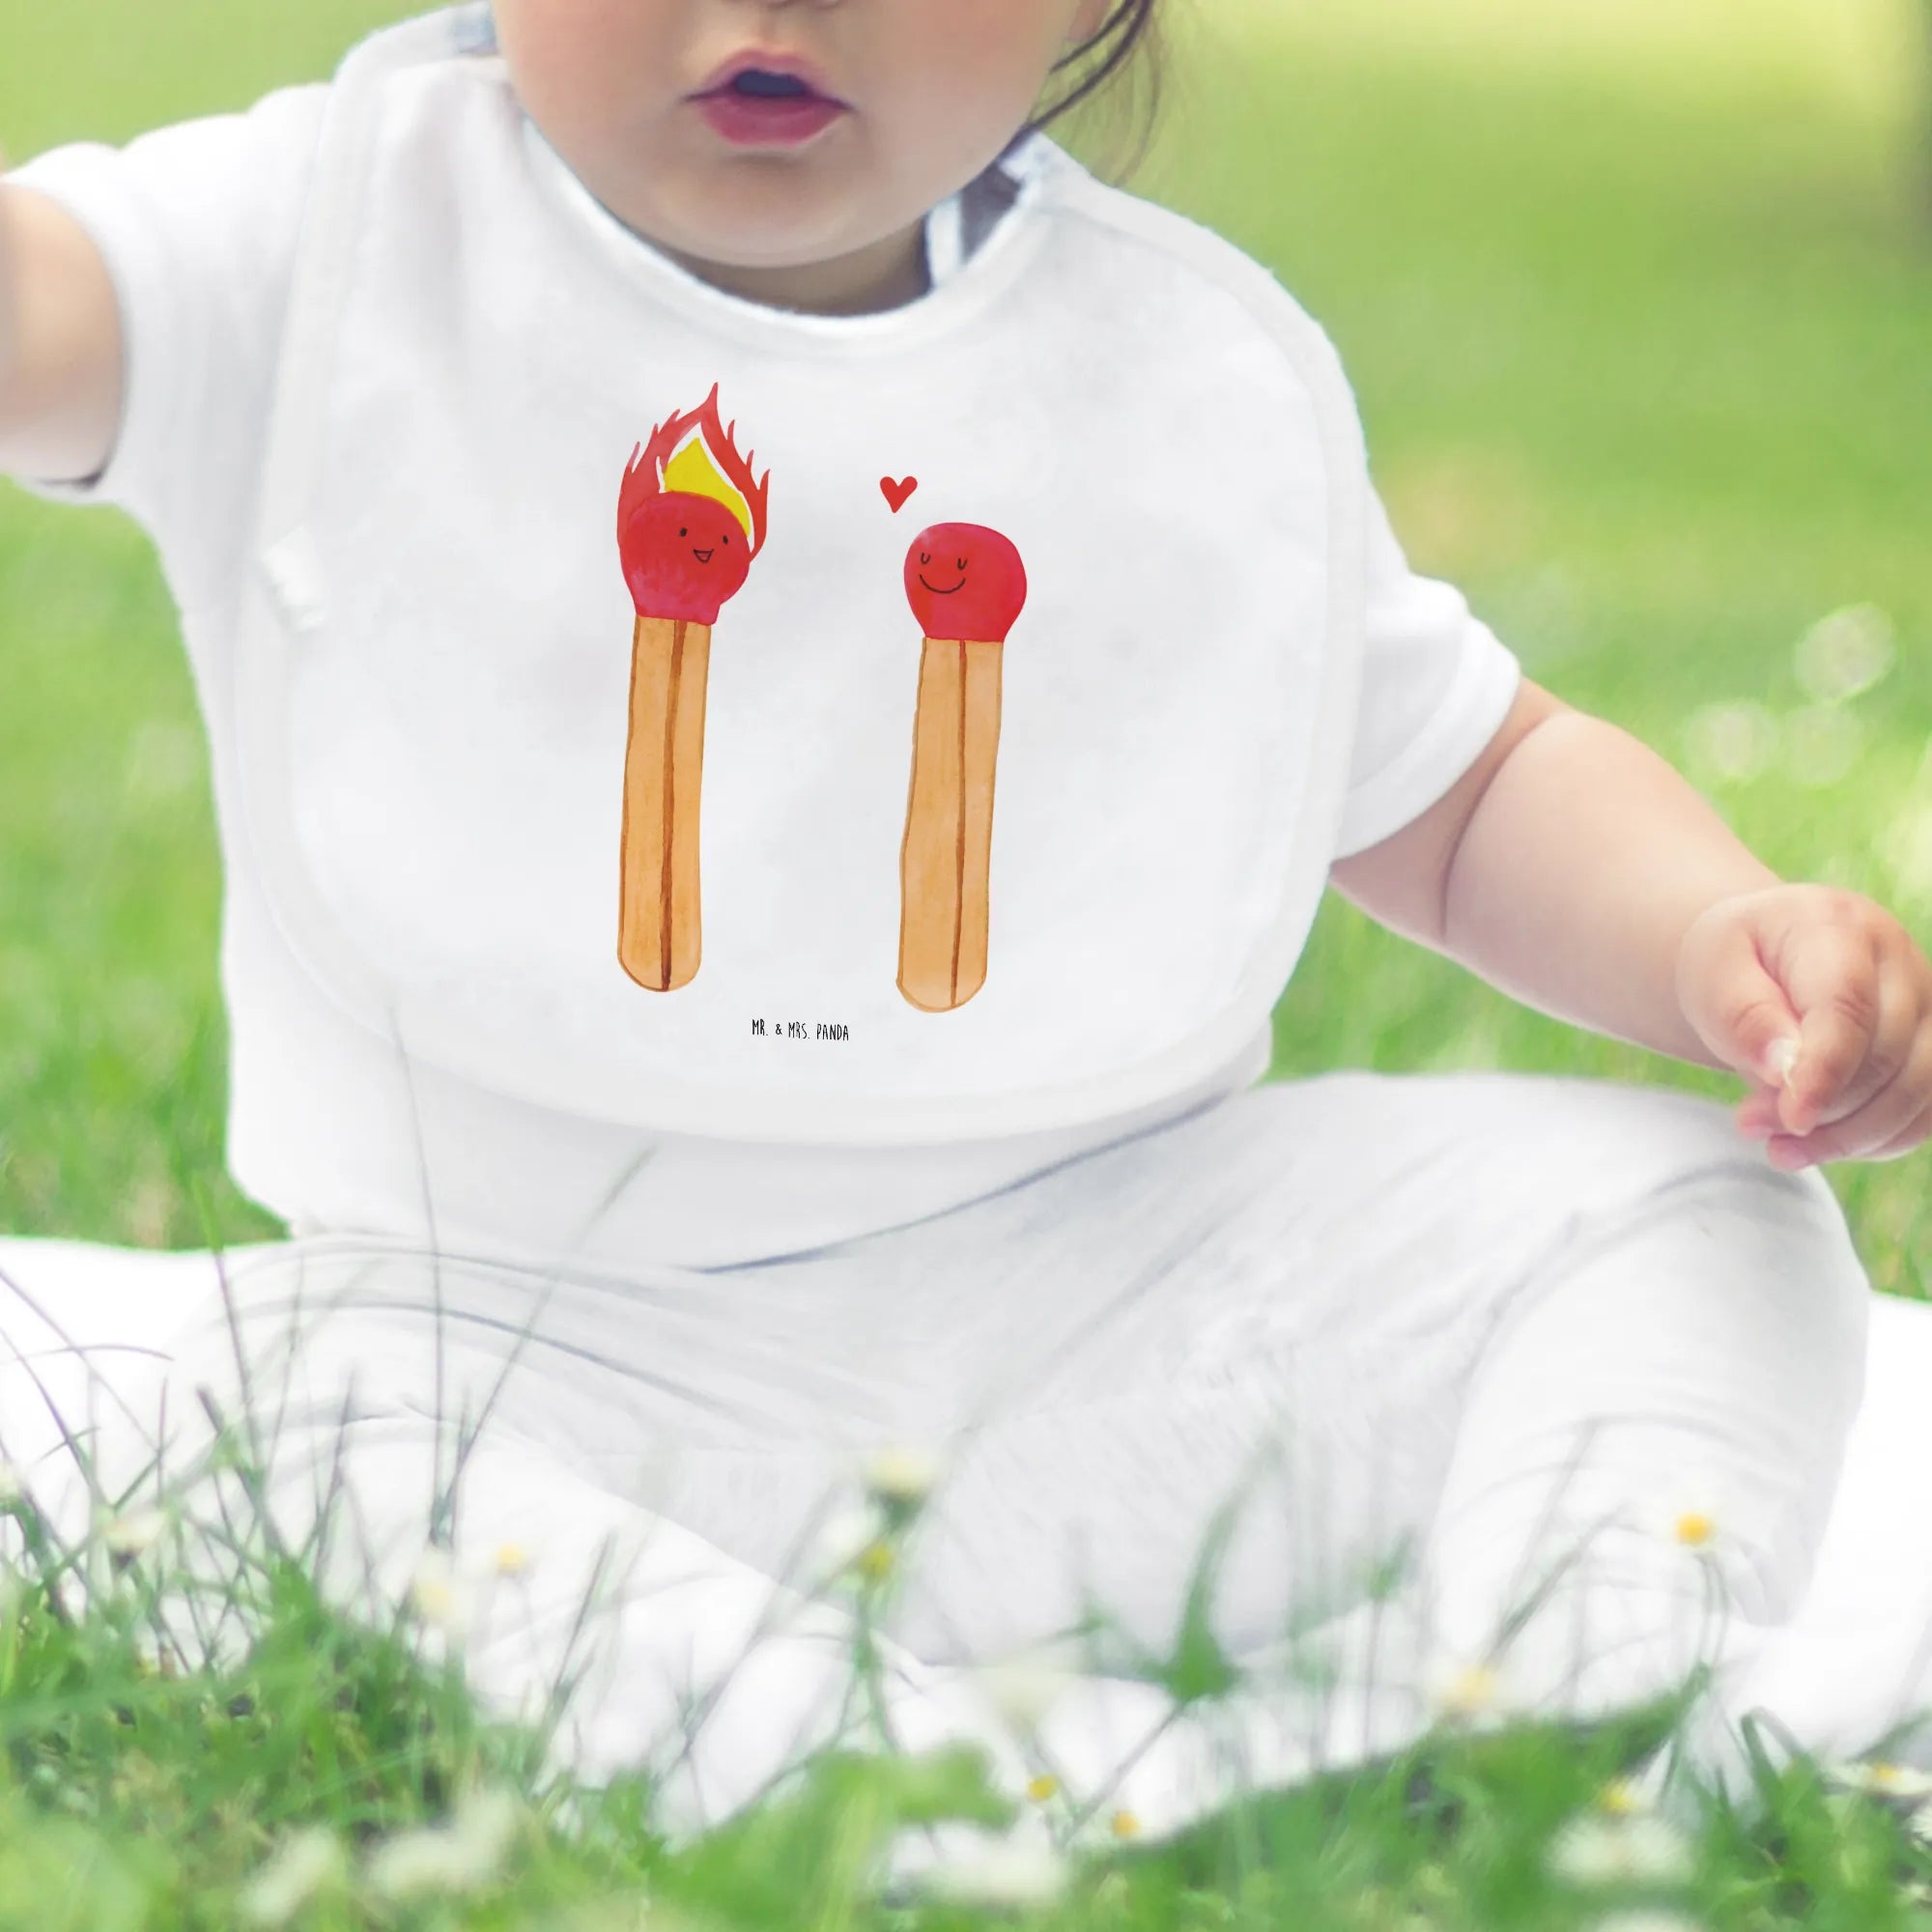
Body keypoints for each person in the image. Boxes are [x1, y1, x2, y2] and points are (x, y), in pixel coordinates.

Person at [3, 0, 1931, 1851]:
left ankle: (1561, 1688)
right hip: (527, 1354)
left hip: (1122, 1330)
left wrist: (1713, 934)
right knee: (265, 1430)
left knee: (1692, 1206)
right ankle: (915, 1787)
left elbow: (1475, 789)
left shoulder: (1162, 386)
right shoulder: (314, 247)